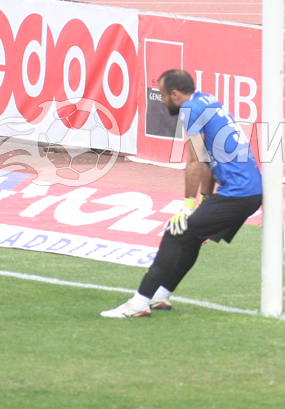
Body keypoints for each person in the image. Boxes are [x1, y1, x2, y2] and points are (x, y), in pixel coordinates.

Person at [101, 69, 263, 318]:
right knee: (189, 237)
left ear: (175, 94)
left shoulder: (189, 110)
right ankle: (161, 295)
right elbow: (209, 157)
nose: (162, 100)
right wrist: (206, 199)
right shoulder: (207, 100)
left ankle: (138, 303)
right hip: (246, 192)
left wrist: (188, 205)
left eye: (164, 95)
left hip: (239, 194)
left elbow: (196, 160)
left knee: (175, 232)